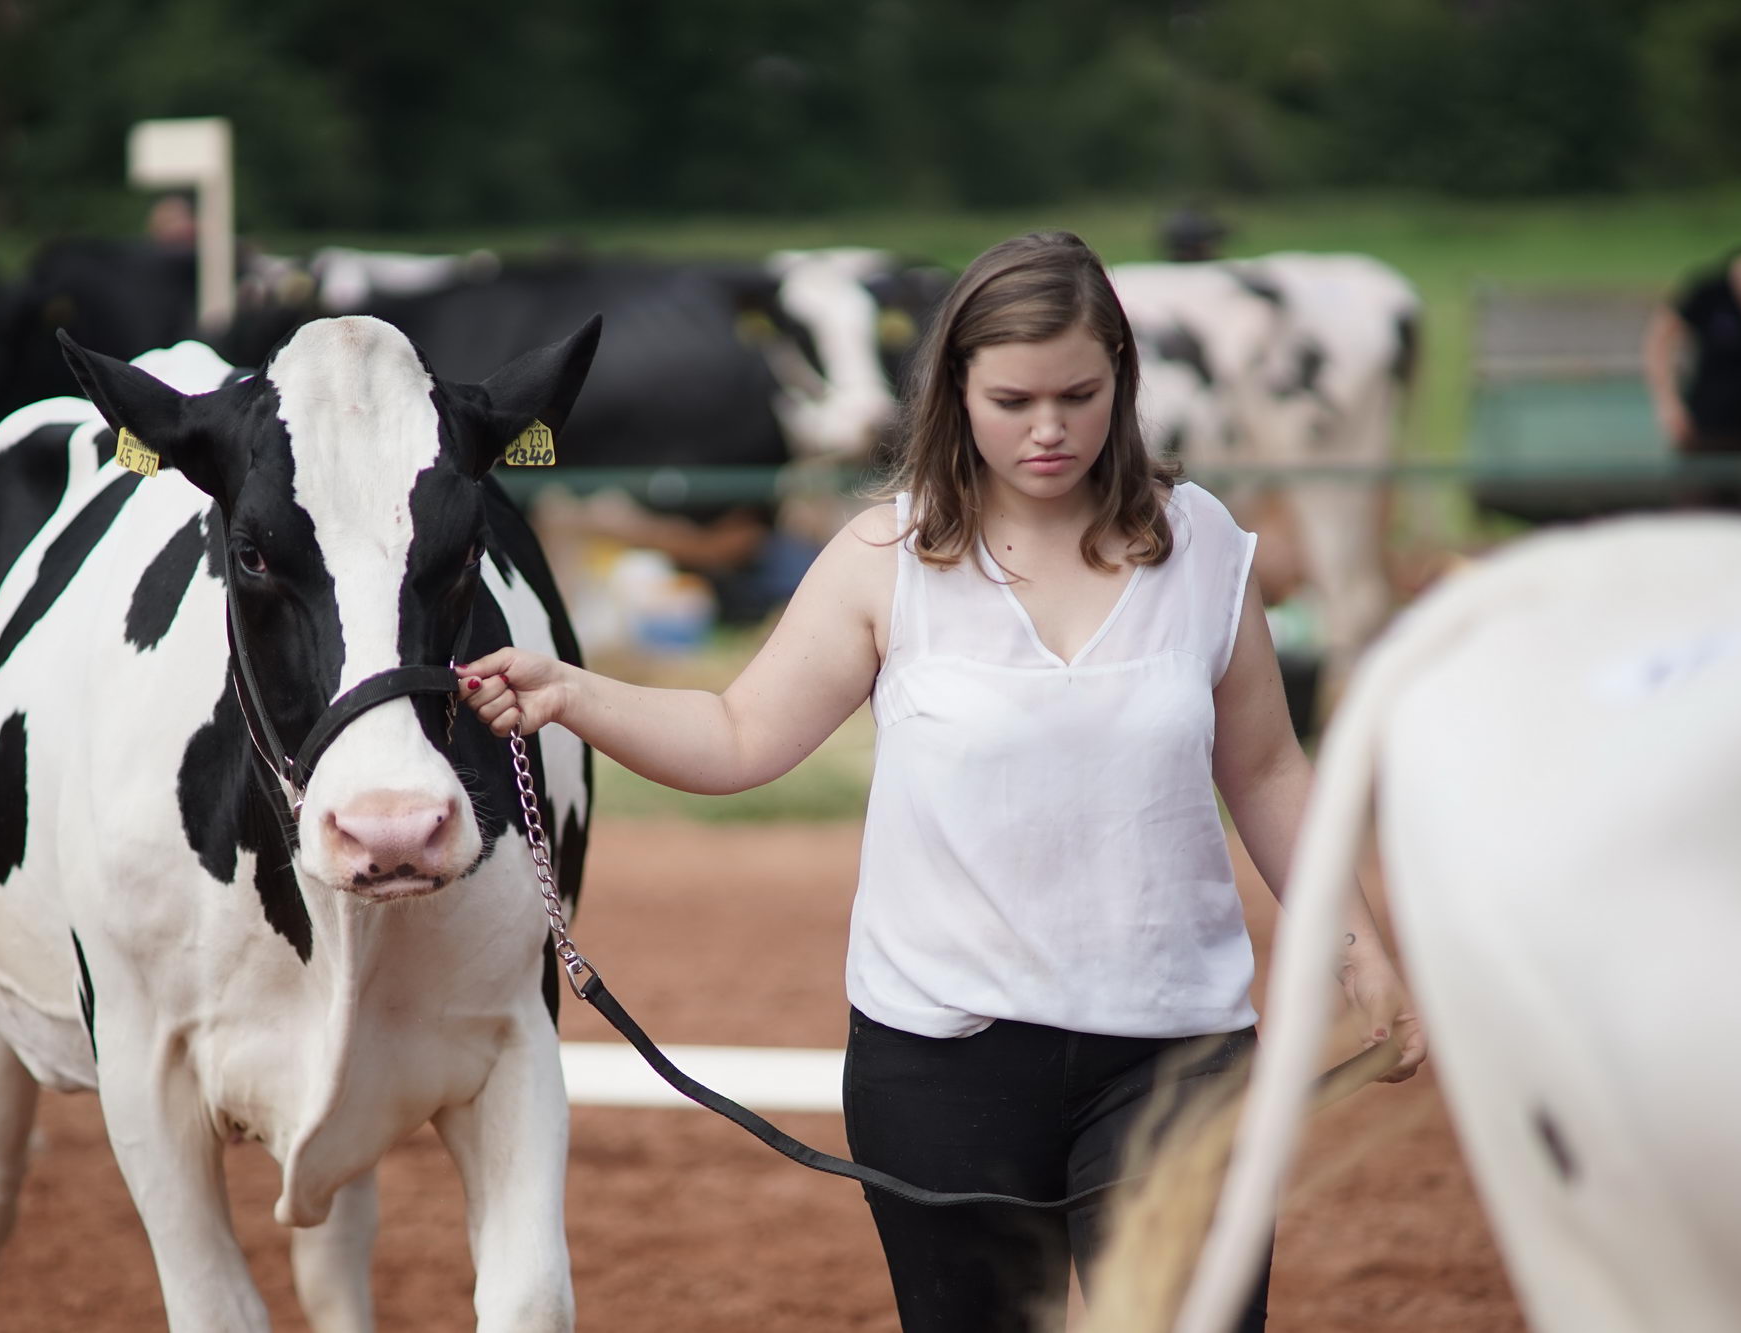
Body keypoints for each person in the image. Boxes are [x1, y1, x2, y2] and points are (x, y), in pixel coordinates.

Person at [457, 231, 1426, 1332]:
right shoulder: (885, 556)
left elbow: (1263, 769)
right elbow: (736, 735)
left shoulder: (1200, 544)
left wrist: (1356, 943)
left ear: (1122, 375)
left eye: (1078, 393)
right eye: (1012, 398)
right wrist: (567, 692)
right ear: (954, 388)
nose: (1048, 428)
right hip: (941, 1070)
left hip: (1177, 1052)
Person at [1643, 226, 1741, 508]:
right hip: (1710, 428)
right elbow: (1660, 339)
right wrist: (1667, 403)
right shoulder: (1711, 291)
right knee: (1700, 516)